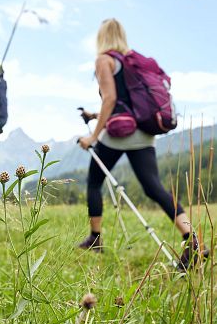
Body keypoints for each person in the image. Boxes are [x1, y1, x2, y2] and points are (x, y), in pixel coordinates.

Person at [78, 18, 208, 270]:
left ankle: (95, 238)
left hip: (117, 134)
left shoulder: (103, 60)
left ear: (101, 37)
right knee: (154, 188)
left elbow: (111, 99)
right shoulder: (133, 62)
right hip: (143, 134)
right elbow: (126, 102)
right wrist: (94, 116)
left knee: (94, 181)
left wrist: (92, 136)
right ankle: (192, 239)